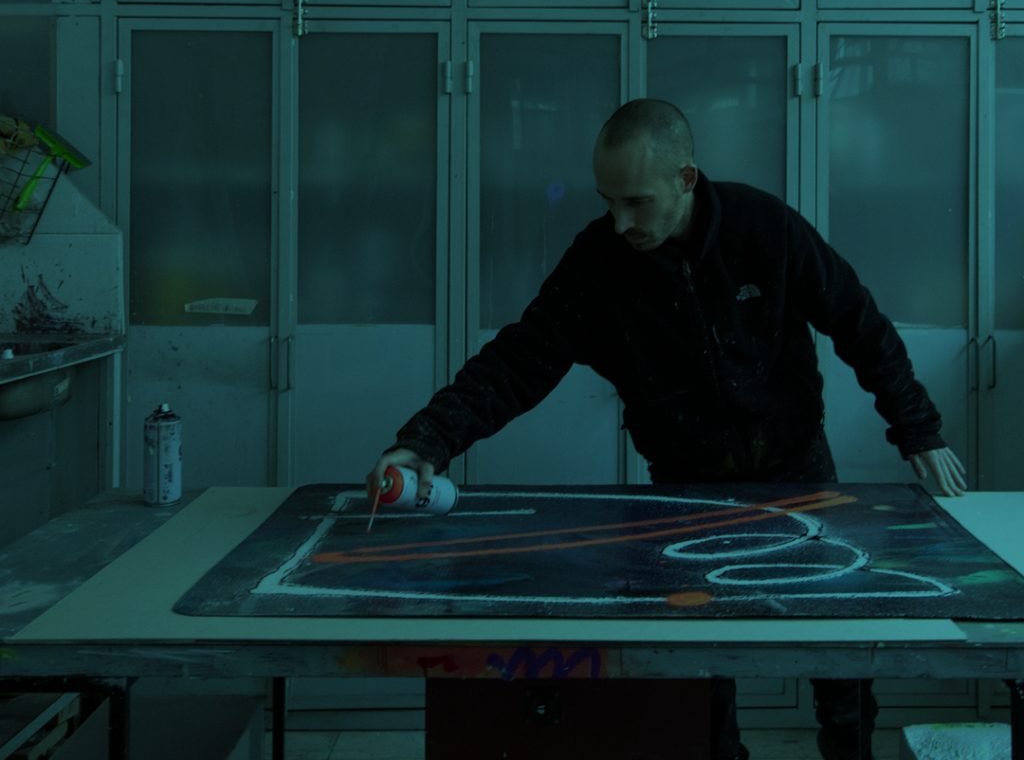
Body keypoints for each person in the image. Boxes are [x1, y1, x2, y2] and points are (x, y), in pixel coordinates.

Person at [367, 98, 967, 760]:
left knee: (836, 647)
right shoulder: (600, 259)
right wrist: (426, 439)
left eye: (637, 202)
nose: (621, 222)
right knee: (698, 662)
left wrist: (919, 429)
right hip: (683, 484)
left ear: (685, 179)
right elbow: (519, 360)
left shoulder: (763, 227)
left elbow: (860, 324)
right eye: (608, 202)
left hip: (795, 468)